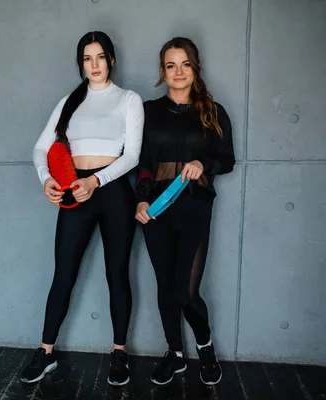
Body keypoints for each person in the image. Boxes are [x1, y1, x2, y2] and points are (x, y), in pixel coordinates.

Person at [21, 31, 144, 386]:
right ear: (80, 64)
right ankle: (46, 352)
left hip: (113, 191)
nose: (94, 65)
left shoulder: (128, 100)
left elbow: (132, 156)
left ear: (112, 60)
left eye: (100, 57)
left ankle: (119, 352)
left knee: (117, 274)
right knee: (64, 274)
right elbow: (40, 149)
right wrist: (47, 179)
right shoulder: (69, 102)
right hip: (75, 191)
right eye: (87, 58)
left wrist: (96, 181)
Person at [134, 37, 235, 386]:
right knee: (165, 287)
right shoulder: (148, 111)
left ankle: (205, 347)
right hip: (156, 209)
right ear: (163, 71)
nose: (178, 72)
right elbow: (143, 162)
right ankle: (175, 354)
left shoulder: (213, 112)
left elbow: (228, 160)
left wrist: (202, 162)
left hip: (194, 205)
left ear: (195, 68)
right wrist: (142, 199)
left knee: (185, 292)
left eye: (185, 64)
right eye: (171, 65)